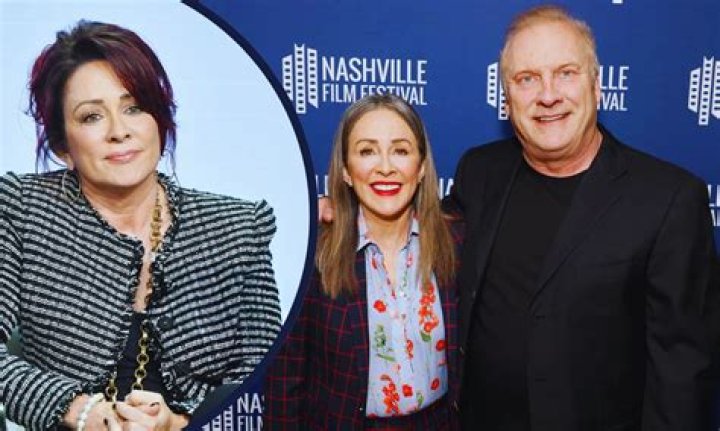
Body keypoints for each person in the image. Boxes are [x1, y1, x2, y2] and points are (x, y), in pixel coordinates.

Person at [443, 5, 719, 430]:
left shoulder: (669, 199)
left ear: (597, 86)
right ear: (507, 98)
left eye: (566, 73)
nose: (548, 95)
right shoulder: (479, 172)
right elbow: (424, 240)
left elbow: (682, 376)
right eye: (527, 78)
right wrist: (345, 215)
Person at [0, 21, 282, 430]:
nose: (120, 132)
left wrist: (178, 422)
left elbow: (262, 382)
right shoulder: (23, 210)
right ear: (63, 146)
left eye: (134, 108)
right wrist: (82, 412)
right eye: (92, 116)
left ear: (159, 119)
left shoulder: (240, 229)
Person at [265, 94, 462, 429]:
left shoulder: (457, 243)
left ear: (421, 167)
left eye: (400, 150)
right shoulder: (312, 256)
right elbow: (284, 379)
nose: (385, 167)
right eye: (367, 151)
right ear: (345, 170)